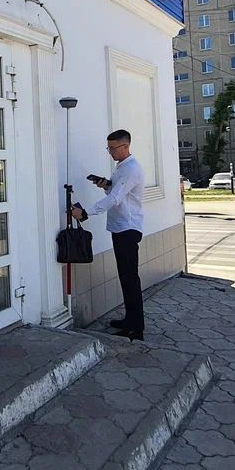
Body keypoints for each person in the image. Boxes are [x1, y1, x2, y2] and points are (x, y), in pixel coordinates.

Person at [71, 129, 146, 340]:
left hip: (128, 229)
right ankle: (130, 320)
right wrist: (106, 186)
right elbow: (116, 194)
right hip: (120, 227)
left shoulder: (131, 169)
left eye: (113, 148)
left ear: (125, 146)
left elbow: (115, 199)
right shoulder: (121, 168)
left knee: (130, 279)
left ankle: (136, 329)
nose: (110, 152)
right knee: (126, 277)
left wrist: (86, 212)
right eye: (108, 148)